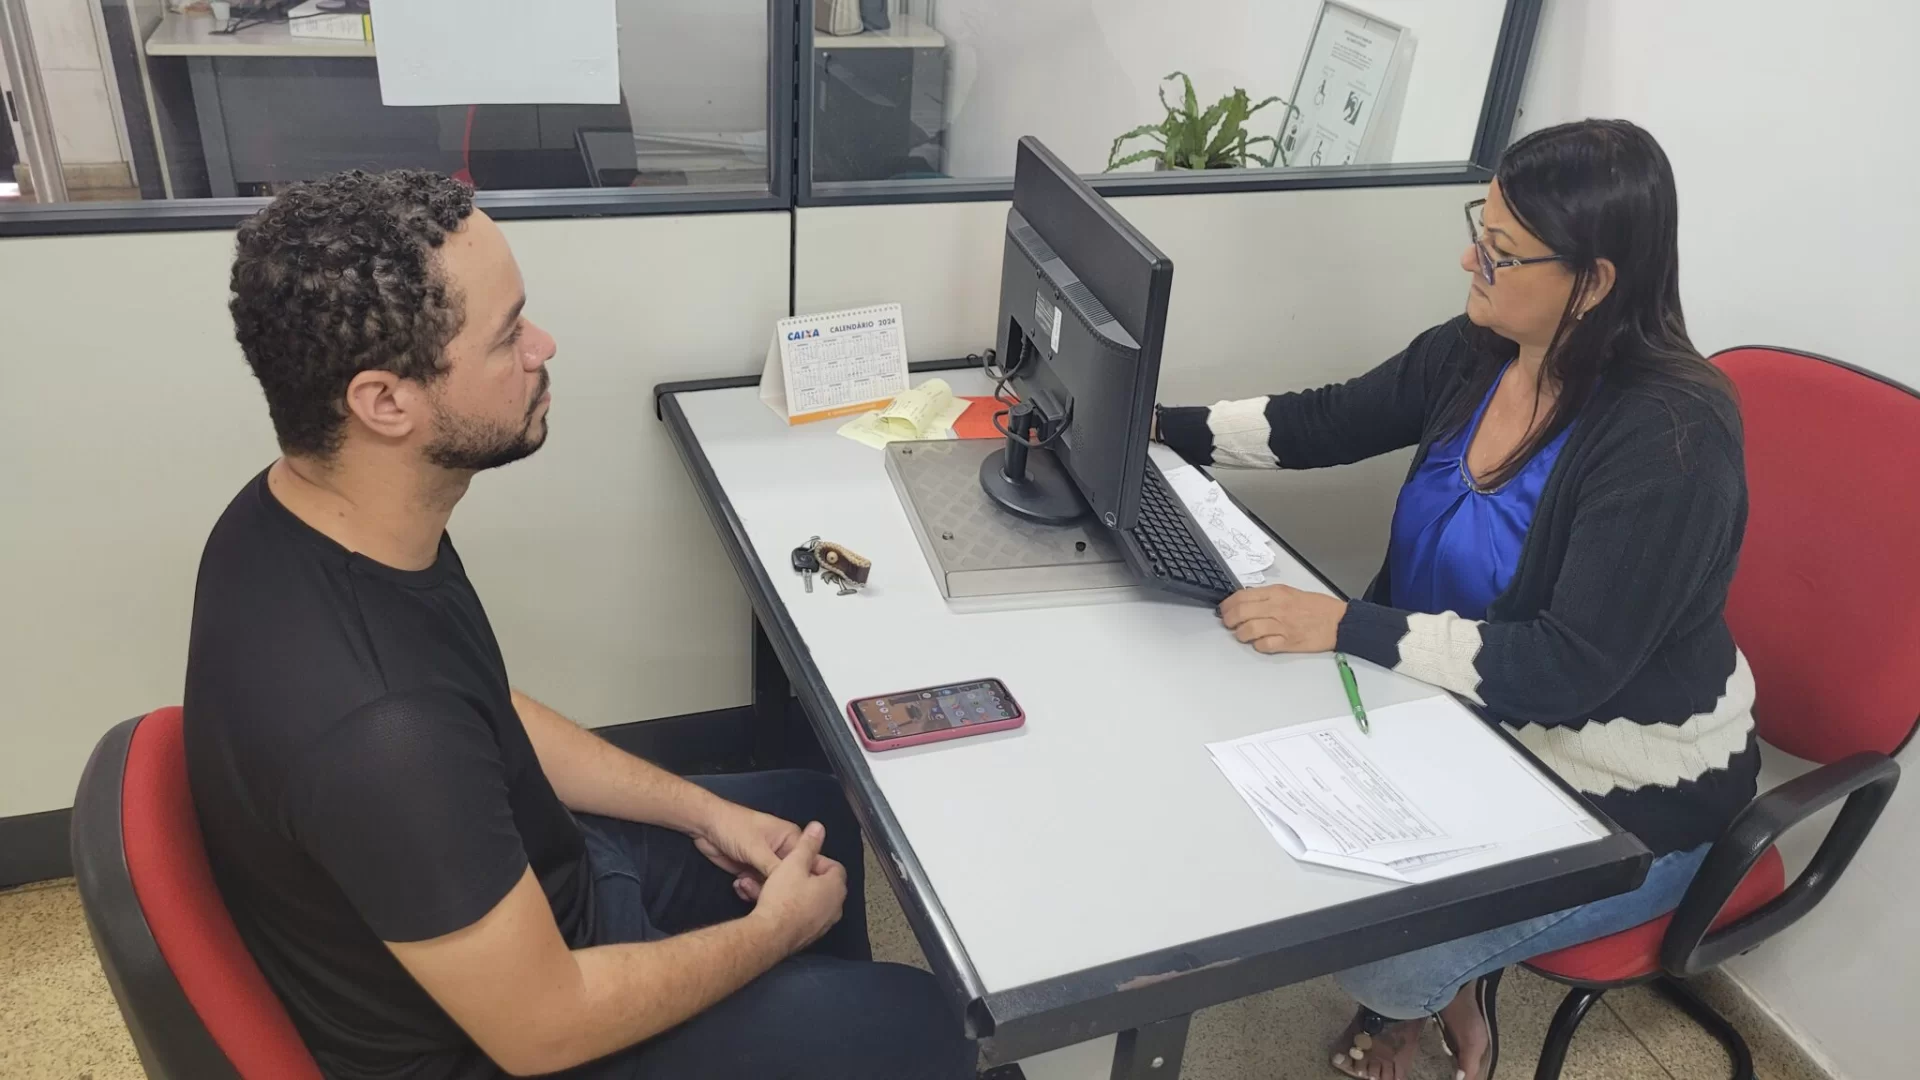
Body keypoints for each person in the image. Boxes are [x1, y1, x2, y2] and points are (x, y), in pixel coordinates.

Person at [184, 169, 975, 1080]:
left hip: (547, 886)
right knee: (924, 1024)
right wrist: (774, 933)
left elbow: (483, 710)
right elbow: (544, 1029)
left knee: (808, 812)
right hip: (518, 1038)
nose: (543, 345)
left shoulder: (312, 517)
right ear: (386, 402)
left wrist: (707, 811)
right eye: (507, 334)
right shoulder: (381, 731)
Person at [1153, 119, 1759, 1080]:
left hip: (1624, 780)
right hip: (1462, 709)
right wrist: (1152, 425)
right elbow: (1324, 421)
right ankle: (1456, 977)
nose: (1471, 259)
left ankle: (1441, 990)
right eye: (1482, 229)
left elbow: (1563, 669)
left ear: (1593, 282)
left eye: (1502, 251)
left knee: (1383, 961)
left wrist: (1346, 624)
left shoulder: (1671, 441)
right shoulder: (1485, 346)